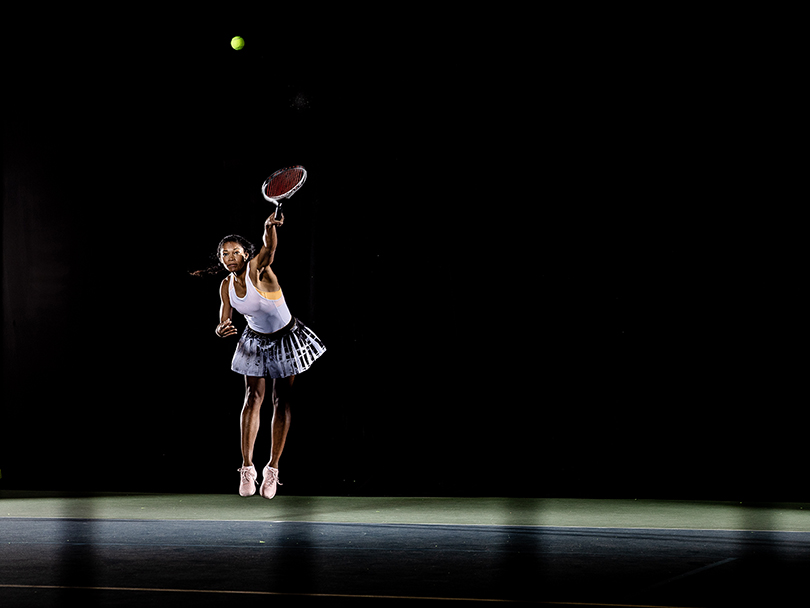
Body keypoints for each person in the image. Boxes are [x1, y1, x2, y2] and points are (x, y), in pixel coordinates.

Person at [196, 213, 325, 499]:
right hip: (254, 340)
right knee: (252, 398)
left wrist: (269, 228)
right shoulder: (225, 286)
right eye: (224, 253)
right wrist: (220, 329)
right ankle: (247, 468)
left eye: (235, 252)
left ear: (245, 254)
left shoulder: (259, 269)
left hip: (285, 338)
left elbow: (269, 249)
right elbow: (224, 318)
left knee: (281, 400)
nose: (229, 257)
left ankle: (273, 469)